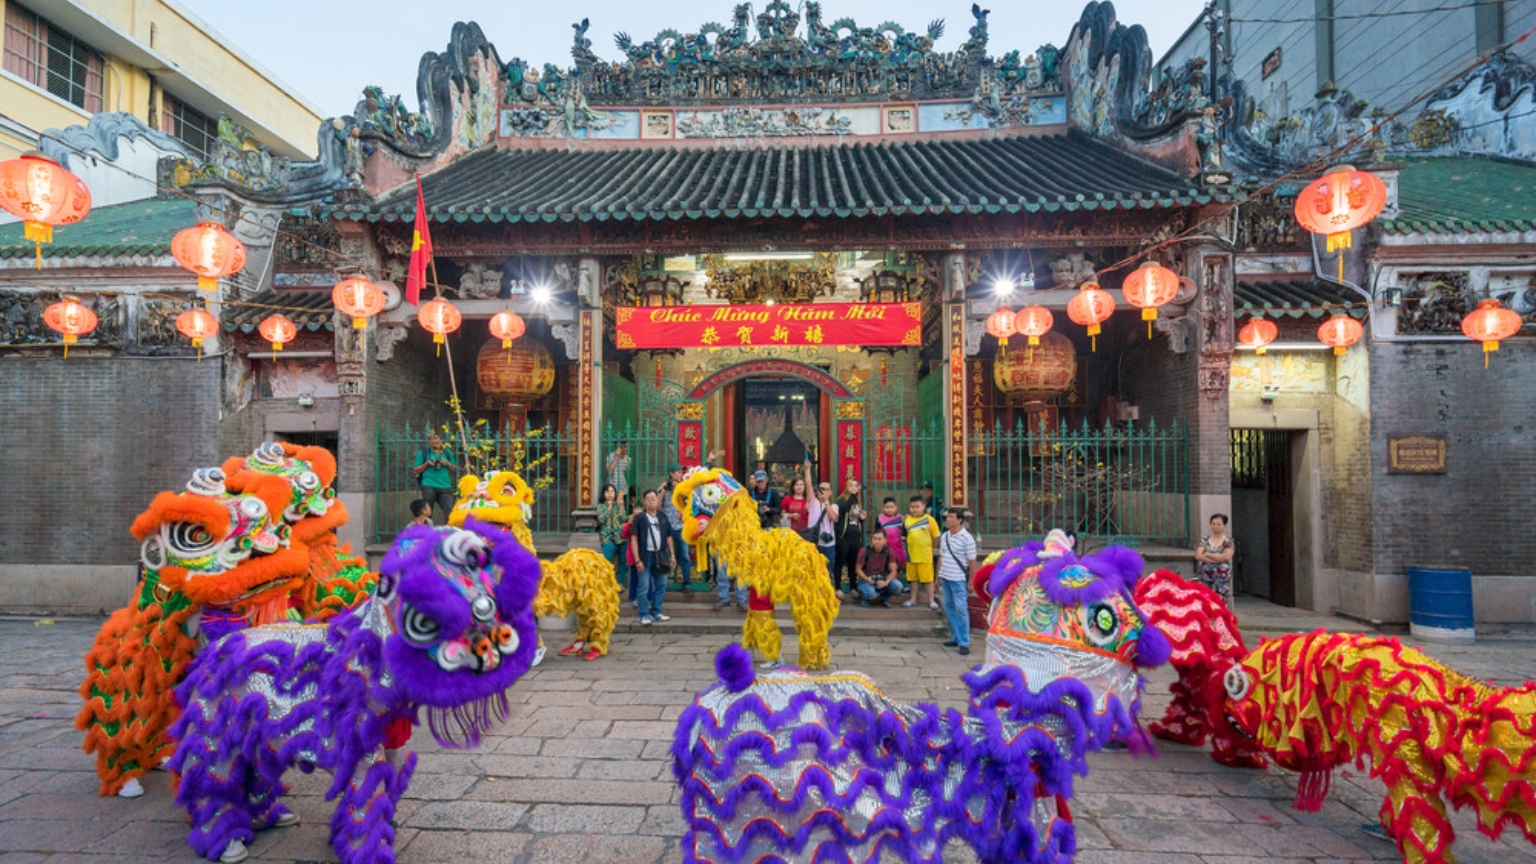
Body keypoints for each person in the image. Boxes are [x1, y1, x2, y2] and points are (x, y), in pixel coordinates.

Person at [936, 509, 978, 655]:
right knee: (949, 606)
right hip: (945, 576)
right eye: (947, 517)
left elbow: (972, 561)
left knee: (961, 609)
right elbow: (941, 556)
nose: (948, 519)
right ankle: (956, 636)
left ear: (960, 520)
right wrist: (937, 577)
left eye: (951, 517)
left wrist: (971, 581)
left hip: (958, 578)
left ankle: (964, 642)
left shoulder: (967, 538)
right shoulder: (945, 536)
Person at [627, 491, 672, 625]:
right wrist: (637, 559)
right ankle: (643, 614)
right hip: (645, 556)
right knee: (644, 586)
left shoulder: (663, 517)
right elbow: (634, 540)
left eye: (654, 498)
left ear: (658, 501)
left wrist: (672, 555)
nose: (651, 500)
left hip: (661, 555)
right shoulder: (640, 518)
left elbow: (668, 537)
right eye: (648, 499)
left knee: (662, 585)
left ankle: (656, 611)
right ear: (644, 502)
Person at [658, 464, 696, 593]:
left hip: (681, 526)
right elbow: (657, 506)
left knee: (685, 556)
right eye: (678, 472)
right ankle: (664, 583)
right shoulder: (664, 487)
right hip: (667, 526)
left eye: (681, 472)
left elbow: (691, 505)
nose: (680, 474)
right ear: (671, 474)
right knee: (666, 555)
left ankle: (687, 584)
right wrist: (663, 491)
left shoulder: (684, 487)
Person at [902, 496, 940, 610]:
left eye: (917, 506)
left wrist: (930, 548)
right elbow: (904, 537)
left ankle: (931, 600)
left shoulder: (929, 519)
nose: (914, 509)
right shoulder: (907, 520)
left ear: (923, 507)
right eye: (912, 507)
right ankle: (913, 599)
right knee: (913, 580)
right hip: (911, 555)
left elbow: (936, 536)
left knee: (928, 580)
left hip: (925, 555)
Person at [412, 433, 457, 524]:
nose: (435, 445)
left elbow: (454, 469)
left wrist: (447, 463)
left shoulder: (447, 452)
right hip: (428, 485)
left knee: (449, 510)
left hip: (445, 486)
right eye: (433, 443)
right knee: (427, 512)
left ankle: (448, 530)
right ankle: (427, 530)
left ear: (441, 441)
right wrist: (427, 464)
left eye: (437, 443)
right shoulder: (423, 453)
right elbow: (416, 470)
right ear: (429, 442)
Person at [806, 474, 840, 596]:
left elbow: (834, 518)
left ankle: (827, 594)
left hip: (828, 544)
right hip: (813, 543)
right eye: (821, 489)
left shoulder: (834, 506)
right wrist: (807, 470)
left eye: (826, 489)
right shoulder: (813, 503)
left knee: (828, 570)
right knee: (812, 570)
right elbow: (808, 486)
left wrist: (826, 502)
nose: (823, 492)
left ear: (831, 492)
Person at [854, 530, 904, 606]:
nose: (876, 542)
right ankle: (866, 599)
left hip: (883, 578)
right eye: (874, 539)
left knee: (898, 586)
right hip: (866, 580)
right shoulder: (864, 551)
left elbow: (893, 571)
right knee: (871, 593)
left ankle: (884, 598)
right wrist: (867, 579)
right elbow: (858, 570)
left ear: (885, 540)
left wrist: (886, 582)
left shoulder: (889, 551)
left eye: (879, 539)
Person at [833, 478, 865, 597]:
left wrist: (862, 519)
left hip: (855, 536)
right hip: (844, 536)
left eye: (856, 486)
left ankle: (853, 587)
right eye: (851, 485)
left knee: (853, 562)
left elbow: (855, 520)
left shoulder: (857, 502)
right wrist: (853, 495)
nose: (854, 488)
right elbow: (844, 509)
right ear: (846, 487)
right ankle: (838, 587)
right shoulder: (841, 500)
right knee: (840, 562)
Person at [1195, 514, 1236, 605]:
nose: (1215, 526)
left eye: (1218, 524)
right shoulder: (1205, 540)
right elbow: (1198, 555)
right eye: (1213, 524)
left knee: (1220, 598)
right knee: (1204, 597)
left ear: (1224, 525)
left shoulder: (1228, 542)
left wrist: (1208, 554)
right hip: (1205, 574)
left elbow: (1225, 557)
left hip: (1222, 575)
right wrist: (1217, 557)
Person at [596, 484, 626, 577]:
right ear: (603, 494)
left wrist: (621, 507)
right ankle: (606, 581)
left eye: (612, 491)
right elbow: (601, 520)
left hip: (620, 537)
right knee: (606, 560)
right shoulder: (601, 507)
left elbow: (623, 519)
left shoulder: (617, 506)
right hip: (608, 538)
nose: (610, 494)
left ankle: (620, 581)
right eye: (607, 491)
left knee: (623, 560)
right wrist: (609, 508)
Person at [876, 496, 908, 580]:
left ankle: (897, 581)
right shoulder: (880, 518)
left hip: (899, 547)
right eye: (887, 507)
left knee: (900, 566)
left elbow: (905, 532)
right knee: (890, 566)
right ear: (883, 508)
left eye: (891, 507)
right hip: (886, 547)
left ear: (896, 507)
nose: (889, 509)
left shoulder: (901, 518)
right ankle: (891, 582)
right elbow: (877, 533)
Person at [781, 461, 810, 533]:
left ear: (805, 487)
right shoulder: (787, 499)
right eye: (797, 485)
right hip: (791, 533)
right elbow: (781, 515)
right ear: (793, 487)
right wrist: (791, 515)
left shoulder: (808, 500)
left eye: (801, 485)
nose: (799, 487)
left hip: (806, 532)